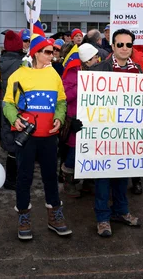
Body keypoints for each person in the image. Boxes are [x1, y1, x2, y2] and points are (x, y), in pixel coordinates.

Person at [3, 34, 71, 240]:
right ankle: (23, 216)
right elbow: (7, 103)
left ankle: (55, 216)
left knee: (51, 176)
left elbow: (61, 102)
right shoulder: (18, 75)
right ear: (36, 54)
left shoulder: (54, 76)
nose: (52, 55)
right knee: (24, 177)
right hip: (27, 136)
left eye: (53, 52)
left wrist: (59, 118)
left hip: (49, 136)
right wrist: (14, 119)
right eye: (48, 52)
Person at [90, 29, 142, 237]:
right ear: (112, 47)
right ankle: (102, 218)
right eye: (120, 44)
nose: (124, 48)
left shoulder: (137, 71)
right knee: (103, 177)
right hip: (104, 132)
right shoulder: (99, 69)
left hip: (127, 133)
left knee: (122, 175)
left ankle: (121, 211)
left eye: (128, 45)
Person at [61, 44, 96, 198]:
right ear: (87, 60)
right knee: (75, 151)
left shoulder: (96, 71)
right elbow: (65, 96)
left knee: (90, 151)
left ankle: (87, 183)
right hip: (75, 119)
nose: (97, 59)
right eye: (95, 57)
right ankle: (68, 180)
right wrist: (82, 85)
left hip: (91, 117)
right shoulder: (72, 73)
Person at [0, 30, 25, 190]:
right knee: (21, 142)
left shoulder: (0, 62)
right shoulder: (21, 64)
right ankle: (16, 179)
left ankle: (10, 179)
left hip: (5, 104)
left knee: (11, 143)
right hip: (20, 105)